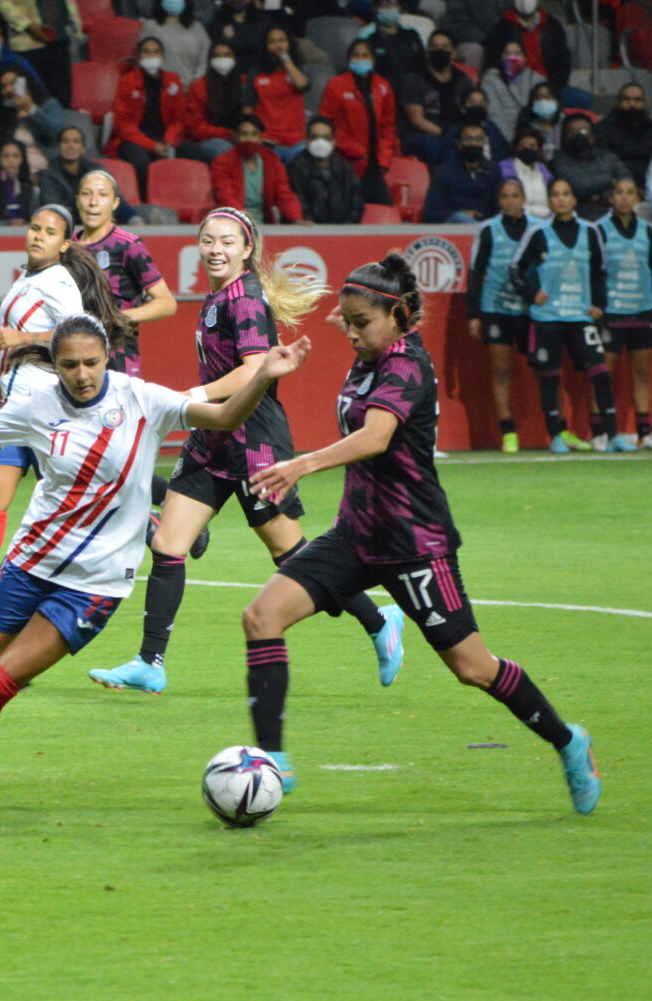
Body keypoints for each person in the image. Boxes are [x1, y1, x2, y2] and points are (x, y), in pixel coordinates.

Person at [0, 316, 314, 799]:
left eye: (91, 362)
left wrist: (263, 376)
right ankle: (17, 663)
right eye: (69, 365)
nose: (82, 374)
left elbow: (225, 418)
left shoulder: (141, 398)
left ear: (106, 358)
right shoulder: (34, 404)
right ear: (55, 365)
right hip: (30, 562)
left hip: (94, 584)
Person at [236, 253, 601, 815]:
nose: (352, 333)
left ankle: (568, 740)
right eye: (347, 322)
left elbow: (376, 437)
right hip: (356, 535)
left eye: (362, 323)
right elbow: (361, 328)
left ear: (400, 316)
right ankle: (273, 764)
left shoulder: (407, 365)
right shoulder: (372, 349)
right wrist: (346, 317)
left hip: (414, 543)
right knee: (261, 616)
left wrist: (301, 464)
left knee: (473, 668)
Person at [87, 206, 405, 696]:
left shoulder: (246, 300)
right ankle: (150, 662)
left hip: (254, 442)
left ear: (247, 248)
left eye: (227, 241)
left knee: (291, 554)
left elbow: (254, 369)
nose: (216, 249)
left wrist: (190, 397)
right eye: (208, 240)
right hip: (212, 438)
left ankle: (379, 621)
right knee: (168, 544)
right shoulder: (221, 295)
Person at [0, 204, 135, 614]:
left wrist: (20, 338)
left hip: (47, 407)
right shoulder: (28, 277)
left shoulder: (58, 281)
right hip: (11, 405)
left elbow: (82, 334)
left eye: (50, 232)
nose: (39, 235)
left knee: (79, 494)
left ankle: (148, 524)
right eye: (35, 227)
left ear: (64, 244)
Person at [510, 178, 633, 453]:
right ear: (550, 200)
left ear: (574, 200)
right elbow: (515, 269)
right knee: (550, 378)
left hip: (580, 316)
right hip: (548, 317)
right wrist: (531, 293)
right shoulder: (538, 232)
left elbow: (601, 270)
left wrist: (599, 304)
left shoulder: (590, 231)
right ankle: (555, 436)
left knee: (600, 372)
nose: (561, 199)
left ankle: (613, 435)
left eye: (566, 194)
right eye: (555, 194)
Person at [74, 169, 177, 378]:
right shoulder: (67, 247)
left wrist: (117, 318)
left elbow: (167, 303)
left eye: (102, 195)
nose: (93, 202)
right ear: (77, 200)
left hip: (117, 360)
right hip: (74, 359)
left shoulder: (128, 244)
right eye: (86, 194)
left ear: (115, 203)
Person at [597, 178, 652, 450]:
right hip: (612, 312)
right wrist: (598, 310)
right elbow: (595, 272)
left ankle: (643, 433)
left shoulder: (645, 230)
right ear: (611, 198)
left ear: (637, 198)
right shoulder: (600, 230)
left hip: (642, 310)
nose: (625, 198)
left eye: (630, 193)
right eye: (619, 193)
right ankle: (601, 433)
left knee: (641, 374)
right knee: (603, 374)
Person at [467, 177, 533, 453]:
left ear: (524, 199)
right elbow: (476, 272)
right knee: (501, 370)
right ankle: (508, 432)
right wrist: (474, 314)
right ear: (499, 201)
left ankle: (558, 429)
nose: (510, 201)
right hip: (496, 308)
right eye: (505, 196)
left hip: (532, 309)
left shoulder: (538, 228)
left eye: (515, 195)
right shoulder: (489, 230)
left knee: (546, 370)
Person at [319, 39, 398, 206]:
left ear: (373, 59)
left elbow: (388, 125)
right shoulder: (336, 85)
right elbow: (327, 124)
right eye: (356, 55)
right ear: (349, 59)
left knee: (384, 210)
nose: (360, 59)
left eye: (365, 55)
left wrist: (384, 157)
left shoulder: (383, 86)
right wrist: (353, 149)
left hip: (376, 164)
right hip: (346, 161)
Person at [108, 37, 186, 192]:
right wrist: (152, 146)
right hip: (134, 139)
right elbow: (122, 124)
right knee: (141, 164)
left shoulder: (173, 80)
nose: (151, 56)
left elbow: (179, 120)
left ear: (162, 56)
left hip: (166, 138)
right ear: (139, 56)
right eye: (147, 52)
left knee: (195, 155)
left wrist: (169, 143)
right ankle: (145, 200)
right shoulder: (128, 81)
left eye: (156, 52)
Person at [211, 114, 306, 224]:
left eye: (254, 134)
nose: (249, 139)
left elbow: (284, 194)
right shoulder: (223, 162)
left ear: (261, 137)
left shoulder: (271, 162)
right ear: (236, 137)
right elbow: (225, 195)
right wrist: (242, 218)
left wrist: (297, 218)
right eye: (244, 134)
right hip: (233, 223)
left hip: (265, 225)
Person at [399, 29, 473, 167]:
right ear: (427, 52)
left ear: (453, 53)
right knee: (435, 146)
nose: (439, 50)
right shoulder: (413, 78)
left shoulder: (463, 80)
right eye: (435, 47)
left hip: (454, 134)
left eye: (445, 47)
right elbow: (416, 120)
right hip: (420, 136)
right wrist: (446, 135)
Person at [0, 0, 80, 107]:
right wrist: (27, 25)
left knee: (62, 94)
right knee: (30, 94)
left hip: (60, 39)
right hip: (28, 43)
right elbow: (4, 3)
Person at [550, 113, 629, 223]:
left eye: (583, 132)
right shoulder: (559, 160)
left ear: (592, 136)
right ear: (565, 138)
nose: (579, 136)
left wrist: (603, 197)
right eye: (573, 133)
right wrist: (609, 180)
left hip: (611, 213)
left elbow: (626, 181)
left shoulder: (608, 157)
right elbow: (580, 186)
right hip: (577, 217)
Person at [246, 27, 308, 164]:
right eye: (272, 42)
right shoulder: (256, 72)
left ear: (289, 43)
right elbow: (248, 108)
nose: (278, 45)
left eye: (281, 41)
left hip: (296, 141)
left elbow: (302, 85)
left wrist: (285, 58)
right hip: (268, 141)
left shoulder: (298, 68)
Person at [288, 116, 363, 225]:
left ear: (333, 141)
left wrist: (347, 227)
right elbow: (298, 204)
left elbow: (356, 201)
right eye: (315, 137)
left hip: (343, 229)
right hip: (310, 230)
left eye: (326, 137)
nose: (320, 142)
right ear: (307, 141)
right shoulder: (296, 168)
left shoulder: (344, 167)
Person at [422, 120, 502, 224]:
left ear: (484, 143)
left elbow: (499, 207)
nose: (473, 143)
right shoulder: (445, 171)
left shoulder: (493, 170)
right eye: (468, 139)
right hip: (455, 228)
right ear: (459, 143)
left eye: (479, 139)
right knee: (460, 217)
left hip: (487, 225)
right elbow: (430, 213)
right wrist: (460, 215)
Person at [486, 0, 570, 97]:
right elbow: (495, 61)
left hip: (550, 86)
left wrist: (552, 88)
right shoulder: (502, 27)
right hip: (517, 87)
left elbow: (563, 64)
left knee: (579, 98)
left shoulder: (553, 26)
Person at [178, 41, 243, 164]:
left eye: (227, 55)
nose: (222, 59)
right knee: (228, 152)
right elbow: (196, 128)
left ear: (235, 58)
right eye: (217, 56)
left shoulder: (243, 83)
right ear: (210, 60)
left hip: (241, 136)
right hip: (207, 140)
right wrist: (228, 134)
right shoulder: (199, 86)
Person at [596, 83, 652, 190]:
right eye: (626, 99)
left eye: (637, 100)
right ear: (618, 102)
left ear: (644, 103)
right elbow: (603, 160)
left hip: (650, 181)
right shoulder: (604, 128)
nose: (632, 104)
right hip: (616, 183)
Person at [0, 67, 63, 169]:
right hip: (15, 170)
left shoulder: (49, 105)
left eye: (13, 83)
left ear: (26, 84)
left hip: (47, 168)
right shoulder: (3, 115)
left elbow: (58, 133)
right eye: (3, 87)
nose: (8, 89)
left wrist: (31, 108)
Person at [358, 0, 424, 105]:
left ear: (399, 7)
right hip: (381, 92)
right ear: (375, 9)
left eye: (393, 3)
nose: (389, 8)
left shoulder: (411, 34)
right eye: (384, 4)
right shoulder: (367, 35)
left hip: (412, 92)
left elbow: (421, 61)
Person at [483, 43, 545, 147]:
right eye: (508, 54)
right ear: (501, 58)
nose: (512, 58)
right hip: (504, 140)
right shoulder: (490, 81)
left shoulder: (538, 79)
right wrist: (513, 144)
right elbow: (495, 115)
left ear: (525, 58)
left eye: (517, 53)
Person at [139, 0, 210, 88]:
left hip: (192, 88)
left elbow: (205, 60)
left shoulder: (197, 28)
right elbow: (144, 58)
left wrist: (194, 84)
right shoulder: (151, 27)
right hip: (161, 88)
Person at [498, 128, 551, 218]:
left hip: (545, 218)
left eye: (532, 146)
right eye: (522, 146)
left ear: (539, 149)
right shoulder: (505, 167)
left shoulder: (543, 169)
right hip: (517, 218)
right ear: (516, 148)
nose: (527, 149)